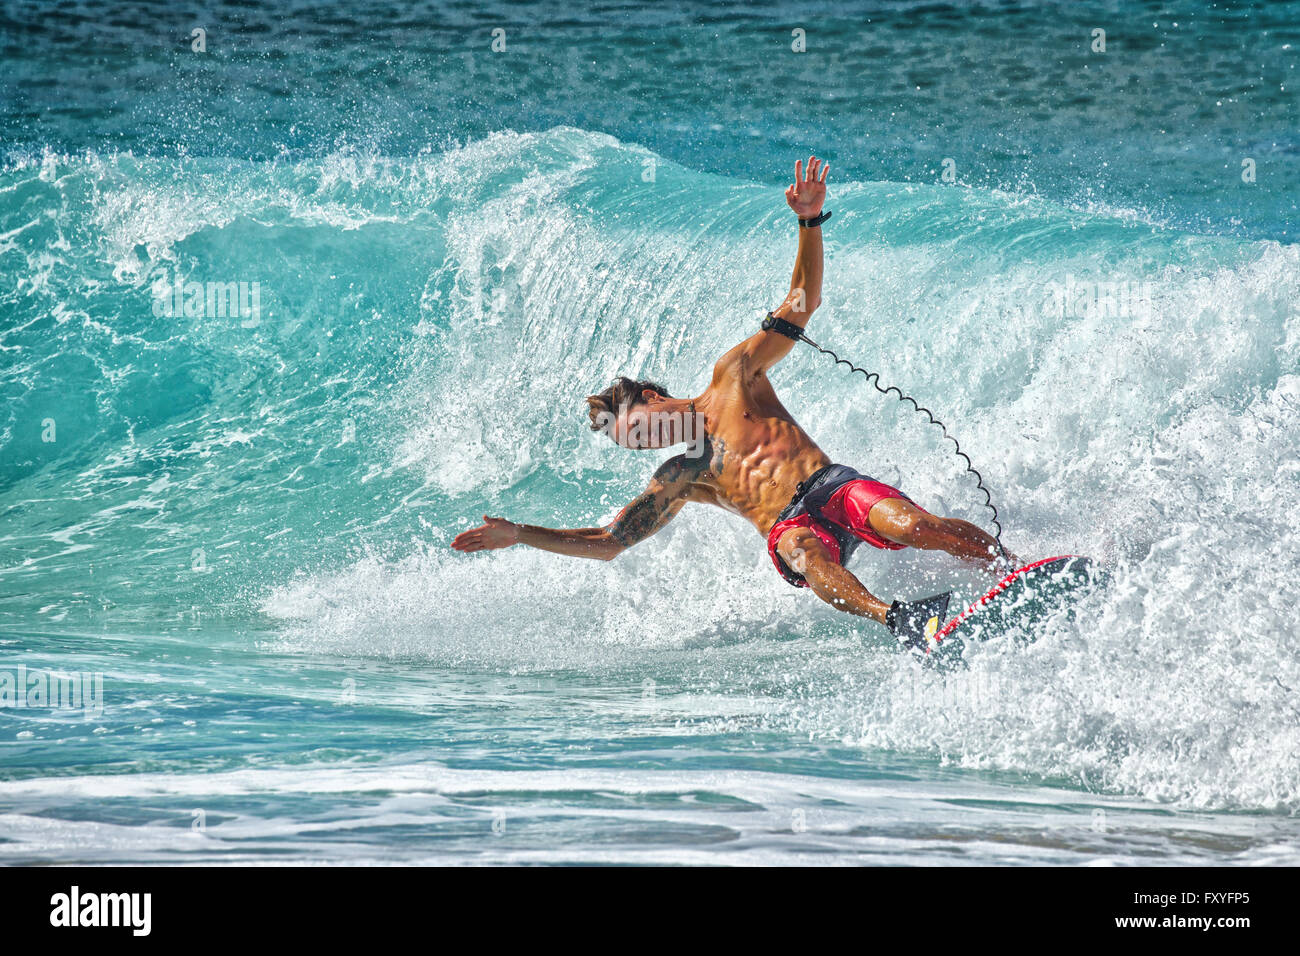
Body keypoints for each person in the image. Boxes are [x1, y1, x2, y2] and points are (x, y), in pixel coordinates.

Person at [452, 156, 1018, 645]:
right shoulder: (682, 475)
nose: (643, 441)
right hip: (790, 526)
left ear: (650, 397)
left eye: (636, 427)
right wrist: (521, 534)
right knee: (805, 554)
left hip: (829, 483)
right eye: (632, 443)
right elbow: (609, 543)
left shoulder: (733, 376)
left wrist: (809, 221)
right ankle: (900, 620)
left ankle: (1011, 572)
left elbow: (801, 304)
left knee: (914, 527)